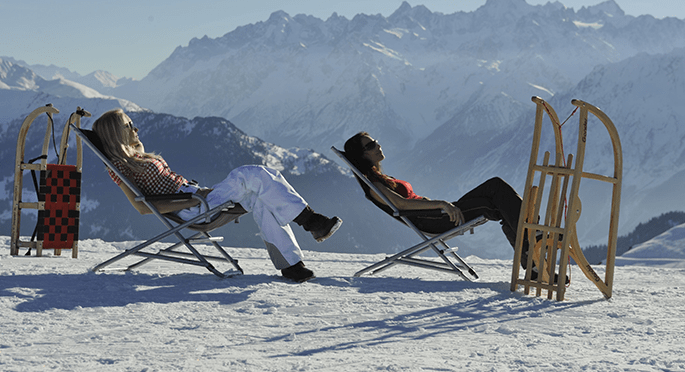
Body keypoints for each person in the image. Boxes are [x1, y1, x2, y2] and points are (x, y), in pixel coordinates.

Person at [92, 109, 342, 282]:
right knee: (249, 173)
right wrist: (193, 199)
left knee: (259, 195)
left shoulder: (136, 156)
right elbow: (143, 207)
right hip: (192, 208)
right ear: (116, 133)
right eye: (128, 126)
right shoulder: (120, 167)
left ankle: (292, 266)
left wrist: (135, 145)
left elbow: (141, 157)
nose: (135, 128)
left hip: (197, 197)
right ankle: (312, 222)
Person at [343, 131, 534, 272]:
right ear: (362, 156)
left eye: (375, 141)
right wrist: (442, 204)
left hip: (436, 215)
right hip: (433, 220)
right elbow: (401, 205)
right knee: (496, 194)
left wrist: (441, 205)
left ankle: (531, 258)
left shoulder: (382, 178)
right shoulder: (373, 185)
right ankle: (533, 238)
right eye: (370, 146)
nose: (377, 146)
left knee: (497, 194)